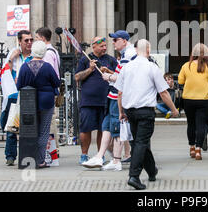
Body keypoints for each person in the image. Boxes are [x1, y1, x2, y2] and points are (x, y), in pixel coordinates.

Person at [115, 39, 179, 190]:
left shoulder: (126, 67)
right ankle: (134, 176)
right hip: (145, 112)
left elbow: (119, 93)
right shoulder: (152, 68)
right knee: (141, 142)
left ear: (136, 50)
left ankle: (151, 171)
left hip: (130, 111)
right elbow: (163, 92)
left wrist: (121, 112)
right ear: (148, 50)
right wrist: (174, 109)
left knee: (139, 141)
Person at [82, 30, 134, 170]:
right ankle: (99, 156)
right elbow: (120, 73)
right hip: (113, 95)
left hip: (119, 95)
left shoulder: (128, 54)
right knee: (106, 125)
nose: (112, 43)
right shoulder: (124, 54)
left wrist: (109, 77)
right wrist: (110, 73)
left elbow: (123, 78)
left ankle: (116, 161)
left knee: (116, 126)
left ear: (123, 41)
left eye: (115, 40)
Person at [16, 41, 60, 168]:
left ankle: (29, 157)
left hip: (29, 102)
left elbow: (19, 86)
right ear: (43, 52)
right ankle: (40, 160)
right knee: (44, 131)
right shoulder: (47, 67)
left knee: (30, 130)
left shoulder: (25, 66)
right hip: (46, 101)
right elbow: (56, 82)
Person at [75, 36, 118, 164]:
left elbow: (118, 75)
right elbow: (77, 77)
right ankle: (84, 154)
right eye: (101, 46)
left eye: (105, 46)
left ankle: (101, 154)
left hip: (105, 100)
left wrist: (108, 70)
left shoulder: (110, 59)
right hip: (88, 101)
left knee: (103, 129)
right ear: (94, 46)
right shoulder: (85, 59)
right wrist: (90, 69)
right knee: (85, 129)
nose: (104, 48)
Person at [178, 43, 208, 161]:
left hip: (188, 99)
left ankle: (191, 147)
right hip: (204, 100)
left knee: (191, 124)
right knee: (201, 124)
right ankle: (198, 150)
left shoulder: (186, 65)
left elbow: (181, 81)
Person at [0, 30, 33, 165]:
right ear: (20, 41)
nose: (29, 43)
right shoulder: (14, 54)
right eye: (26, 40)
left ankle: (28, 154)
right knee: (11, 126)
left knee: (29, 127)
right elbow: (5, 72)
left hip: (29, 95)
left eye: (31, 40)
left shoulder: (34, 56)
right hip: (14, 95)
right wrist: (12, 58)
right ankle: (10, 155)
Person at [35, 27, 61, 150]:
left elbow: (49, 73)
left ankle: (52, 149)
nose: (35, 41)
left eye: (37, 38)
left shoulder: (48, 53)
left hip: (49, 91)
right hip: (48, 91)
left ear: (43, 39)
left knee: (49, 121)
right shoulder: (51, 51)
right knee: (48, 120)